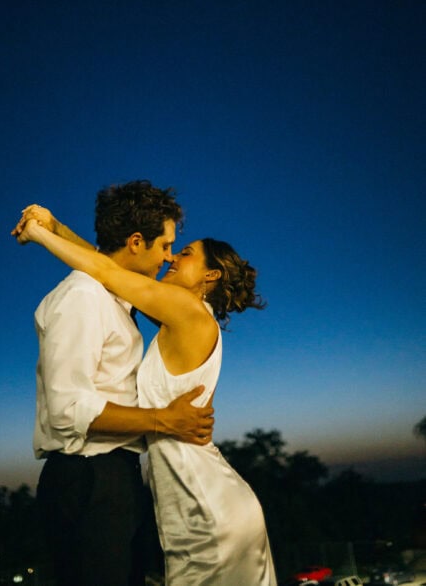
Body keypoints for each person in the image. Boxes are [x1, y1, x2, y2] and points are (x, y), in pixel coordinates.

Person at [14, 202, 278, 586]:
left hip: (202, 500)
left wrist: (40, 234)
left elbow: (106, 269)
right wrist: (56, 226)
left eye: (184, 253)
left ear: (211, 275)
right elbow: (111, 267)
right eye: (171, 248)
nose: (172, 257)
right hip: (189, 495)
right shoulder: (181, 314)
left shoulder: (187, 309)